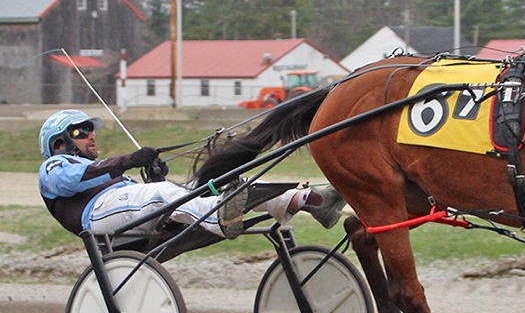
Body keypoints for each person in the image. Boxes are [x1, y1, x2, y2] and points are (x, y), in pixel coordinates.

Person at [38, 110, 343, 240]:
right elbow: (72, 180)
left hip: (123, 213)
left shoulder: (102, 167)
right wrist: (130, 160)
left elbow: (142, 203)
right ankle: (219, 219)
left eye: (91, 130)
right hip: (98, 220)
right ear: (60, 143)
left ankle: (307, 200)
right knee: (160, 195)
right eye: (80, 132)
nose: (90, 136)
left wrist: (153, 174)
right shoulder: (53, 167)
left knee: (211, 186)